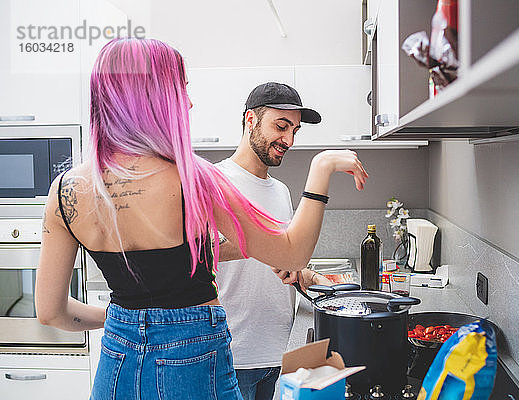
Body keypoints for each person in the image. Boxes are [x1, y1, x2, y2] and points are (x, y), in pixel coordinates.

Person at [34, 38, 368, 400]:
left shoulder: (66, 190)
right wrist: (322, 168)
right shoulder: (194, 179)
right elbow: (292, 255)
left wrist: (125, 322)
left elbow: (51, 312)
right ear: (152, 96)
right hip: (192, 365)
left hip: (116, 362)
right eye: (181, 89)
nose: (189, 102)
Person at [215, 82, 333, 400]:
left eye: (295, 130)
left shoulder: (280, 190)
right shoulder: (215, 183)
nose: (289, 140)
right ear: (251, 120)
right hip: (232, 357)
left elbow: (278, 262)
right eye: (281, 126)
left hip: (279, 355)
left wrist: (303, 276)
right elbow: (198, 256)